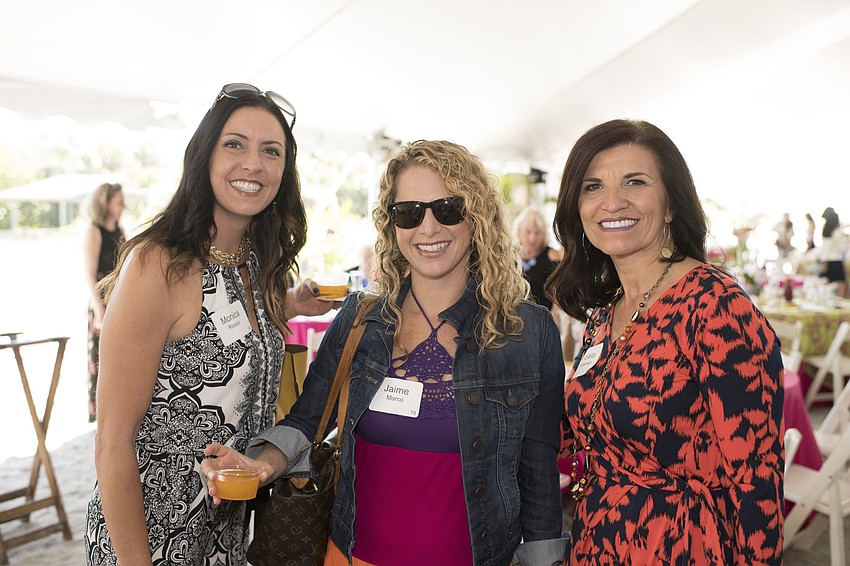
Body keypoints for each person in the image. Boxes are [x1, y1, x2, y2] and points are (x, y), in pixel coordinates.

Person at [202, 140, 567, 565]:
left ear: (477, 217)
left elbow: (539, 471)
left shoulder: (528, 331)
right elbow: (305, 421)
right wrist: (260, 466)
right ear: (392, 226)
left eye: (447, 209)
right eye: (409, 212)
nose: (428, 228)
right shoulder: (361, 318)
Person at [84, 83, 334, 566]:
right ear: (205, 155)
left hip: (224, 536)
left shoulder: (253, 262)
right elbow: (111, 441)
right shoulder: (156, 264)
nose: (253, 164)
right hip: (148, 536)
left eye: (271, 151)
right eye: (234, 144)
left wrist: (288, 305)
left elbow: (220, 333)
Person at [547, 119, 784, 564]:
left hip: (683, 546)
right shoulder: (607, 311)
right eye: (592, 186)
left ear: (672, 203)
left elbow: (757, 483)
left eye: (635, 182)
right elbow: (585, 426)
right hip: (597, 539)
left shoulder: (716, 307)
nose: (612, 202)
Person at [83, 182, 125, 423]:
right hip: (101, 302)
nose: (123, 206)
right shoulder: (94, 231)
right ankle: (100, 415)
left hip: (118, 299)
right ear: (106, 203)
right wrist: (100, 311)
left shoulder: (119, 230)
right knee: (100, 358)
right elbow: (89, 275)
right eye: (119, 202)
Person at [819, 206, 847, 297]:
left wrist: (823, 261)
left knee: (827, 284)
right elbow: (842, 248)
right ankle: (840, 303)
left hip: (826, 260)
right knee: (841, 284)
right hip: (836, 260)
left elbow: (824, 249)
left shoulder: (825, 232)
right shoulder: (837, 232)